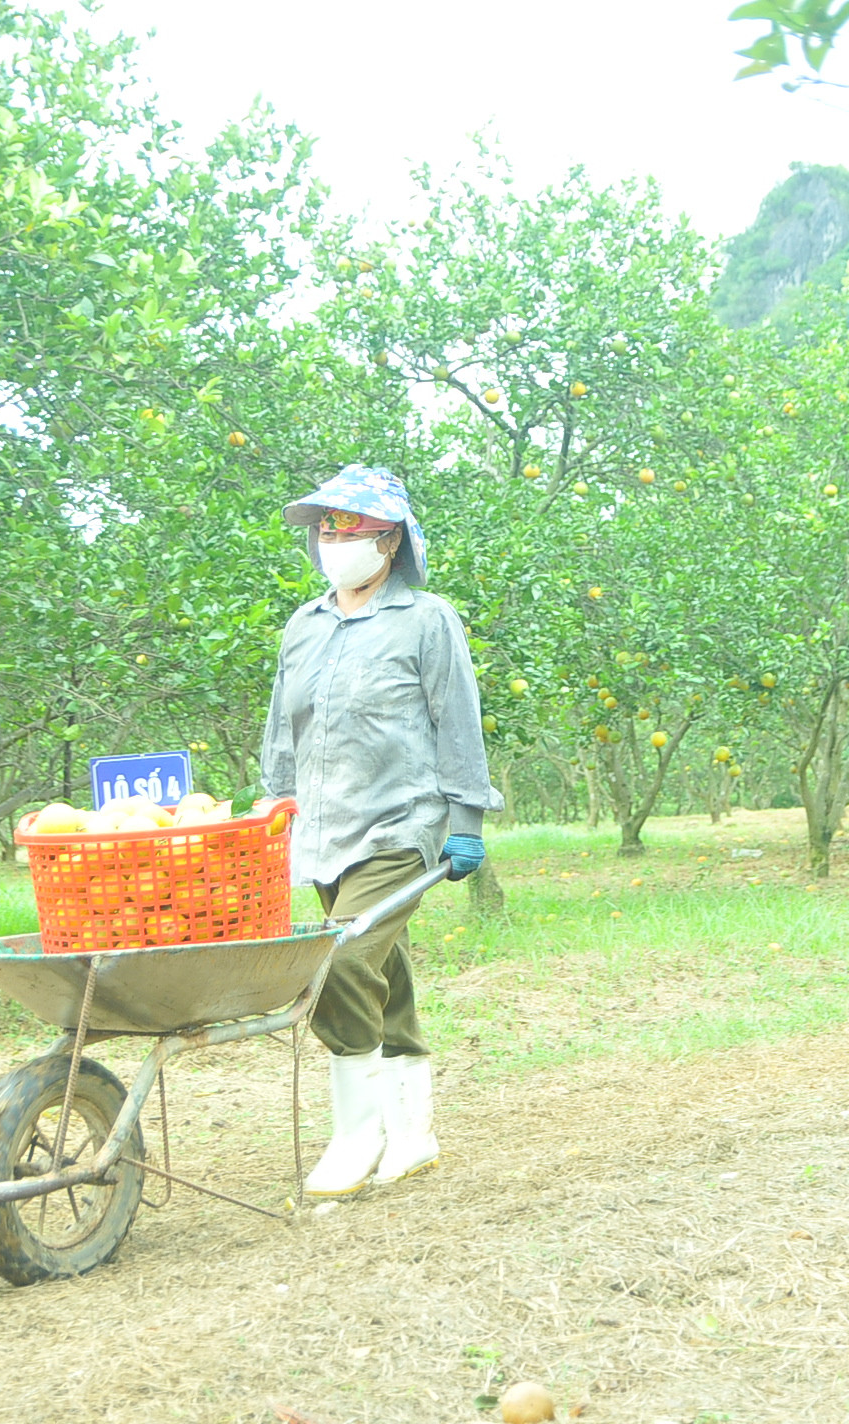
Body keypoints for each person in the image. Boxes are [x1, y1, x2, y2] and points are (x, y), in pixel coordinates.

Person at [260, 465, 502, 1195]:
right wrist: (274, 808)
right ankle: (415, 1132)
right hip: (325, 832)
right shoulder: (303, 627)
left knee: (342, 961)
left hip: (401, 826)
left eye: (351, 529)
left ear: (389, 541)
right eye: (325, 529)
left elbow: (455, 720)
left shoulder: (427, 620)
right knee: (380, 971)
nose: (335, 541)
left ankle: (356, 1136)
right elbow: (282, 731)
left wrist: (465, 819)